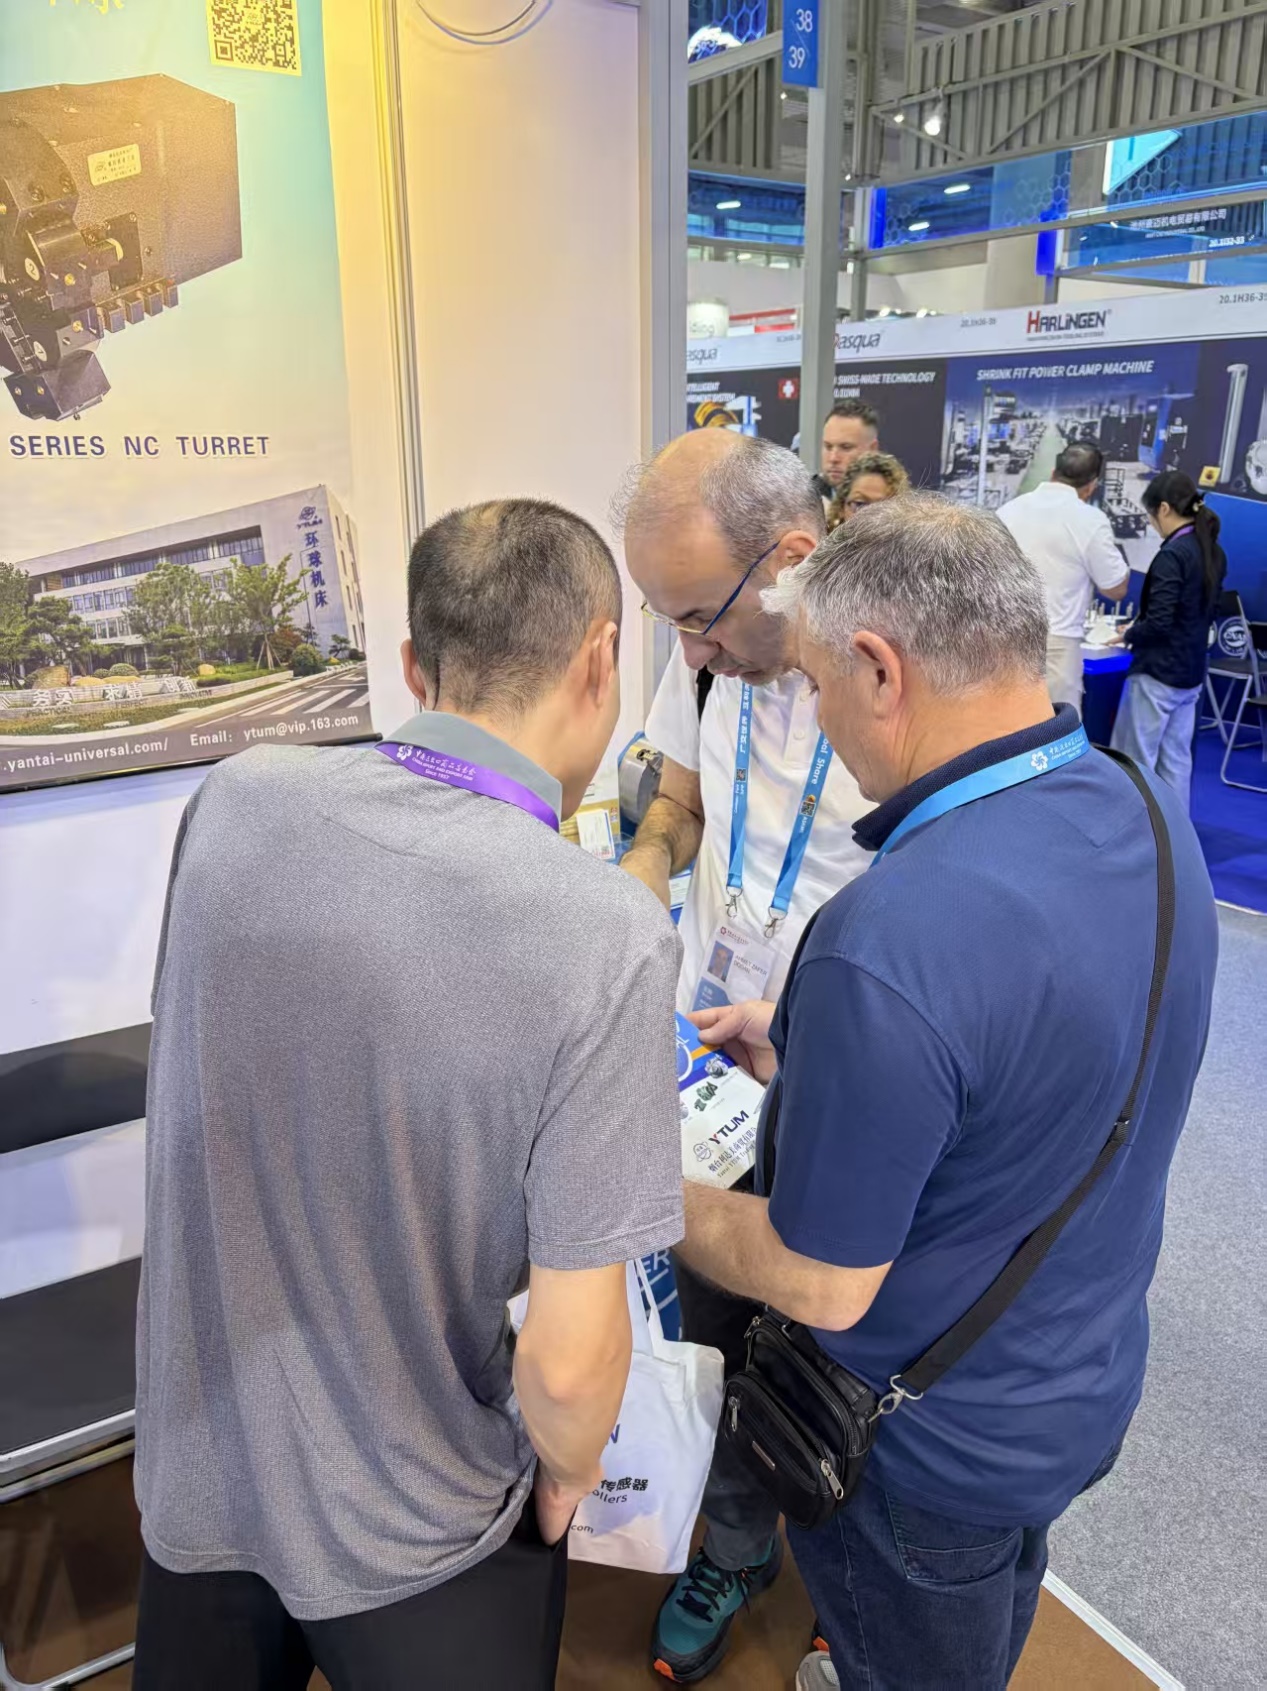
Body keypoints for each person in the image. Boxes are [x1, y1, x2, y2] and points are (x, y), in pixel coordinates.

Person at [132, 500, 685, 1691]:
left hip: (202, 1466)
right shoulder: (604, 935)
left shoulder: (235, 796)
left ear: (413, 663)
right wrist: (567, 1474)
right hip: (420, 1522)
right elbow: (570, 1363)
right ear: (600, 657)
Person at [678, 493, 1217, 1691]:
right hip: (1072, 1380)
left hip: (921, 1450)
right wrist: (824, 1052)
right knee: (994, 1610)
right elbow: (1049, 1065)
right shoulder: (1144, 809)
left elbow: (819, 1278)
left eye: (817, 682)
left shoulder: (888, 936)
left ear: (880, 668)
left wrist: (638, 1188)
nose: (820, 717)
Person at [614, 430, 872, 1682]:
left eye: (699, 618)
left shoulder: (888, 673)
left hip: (852, 1074)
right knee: (716, 1322)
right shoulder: (707, 661)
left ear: (791, 558)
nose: (689, 649)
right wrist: (635, 876)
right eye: (668, 620)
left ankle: (847, 1572)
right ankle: (734, 1544)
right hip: (710, 1055)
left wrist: (814, 1023)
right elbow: (674, 802)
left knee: (843, 1338)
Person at [1111, 470, 1227, 806]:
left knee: (1135, 763)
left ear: (1164, 509)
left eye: (1150, 515)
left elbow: (1159, 623)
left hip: (1157, 673)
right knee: (1176, 762)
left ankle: (1139, 832)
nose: (1151, 524)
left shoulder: (1172, 555)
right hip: (1190, 673)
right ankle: (1176, 833)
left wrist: (1129, 633)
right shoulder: (1213, 552)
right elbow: (1207, 612)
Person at [998, 442, 1129, 713]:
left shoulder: (1008, 511)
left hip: (1003, 640)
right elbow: (1115, 588)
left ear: (1053, 472)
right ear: (1092, 485)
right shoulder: (1090, 520)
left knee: (1004, 723)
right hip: (1056, 647)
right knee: (1057, 728)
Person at [812, 398, 880, 511]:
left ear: (872, 450)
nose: (833, 458)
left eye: (846, 447)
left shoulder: (897, 506)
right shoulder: (802, 499)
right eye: (828, 447)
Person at [825, 449, 909, 530]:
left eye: (882, 508)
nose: (869, 518)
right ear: (841, 508)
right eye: (860, 504)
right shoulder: (822, 538)